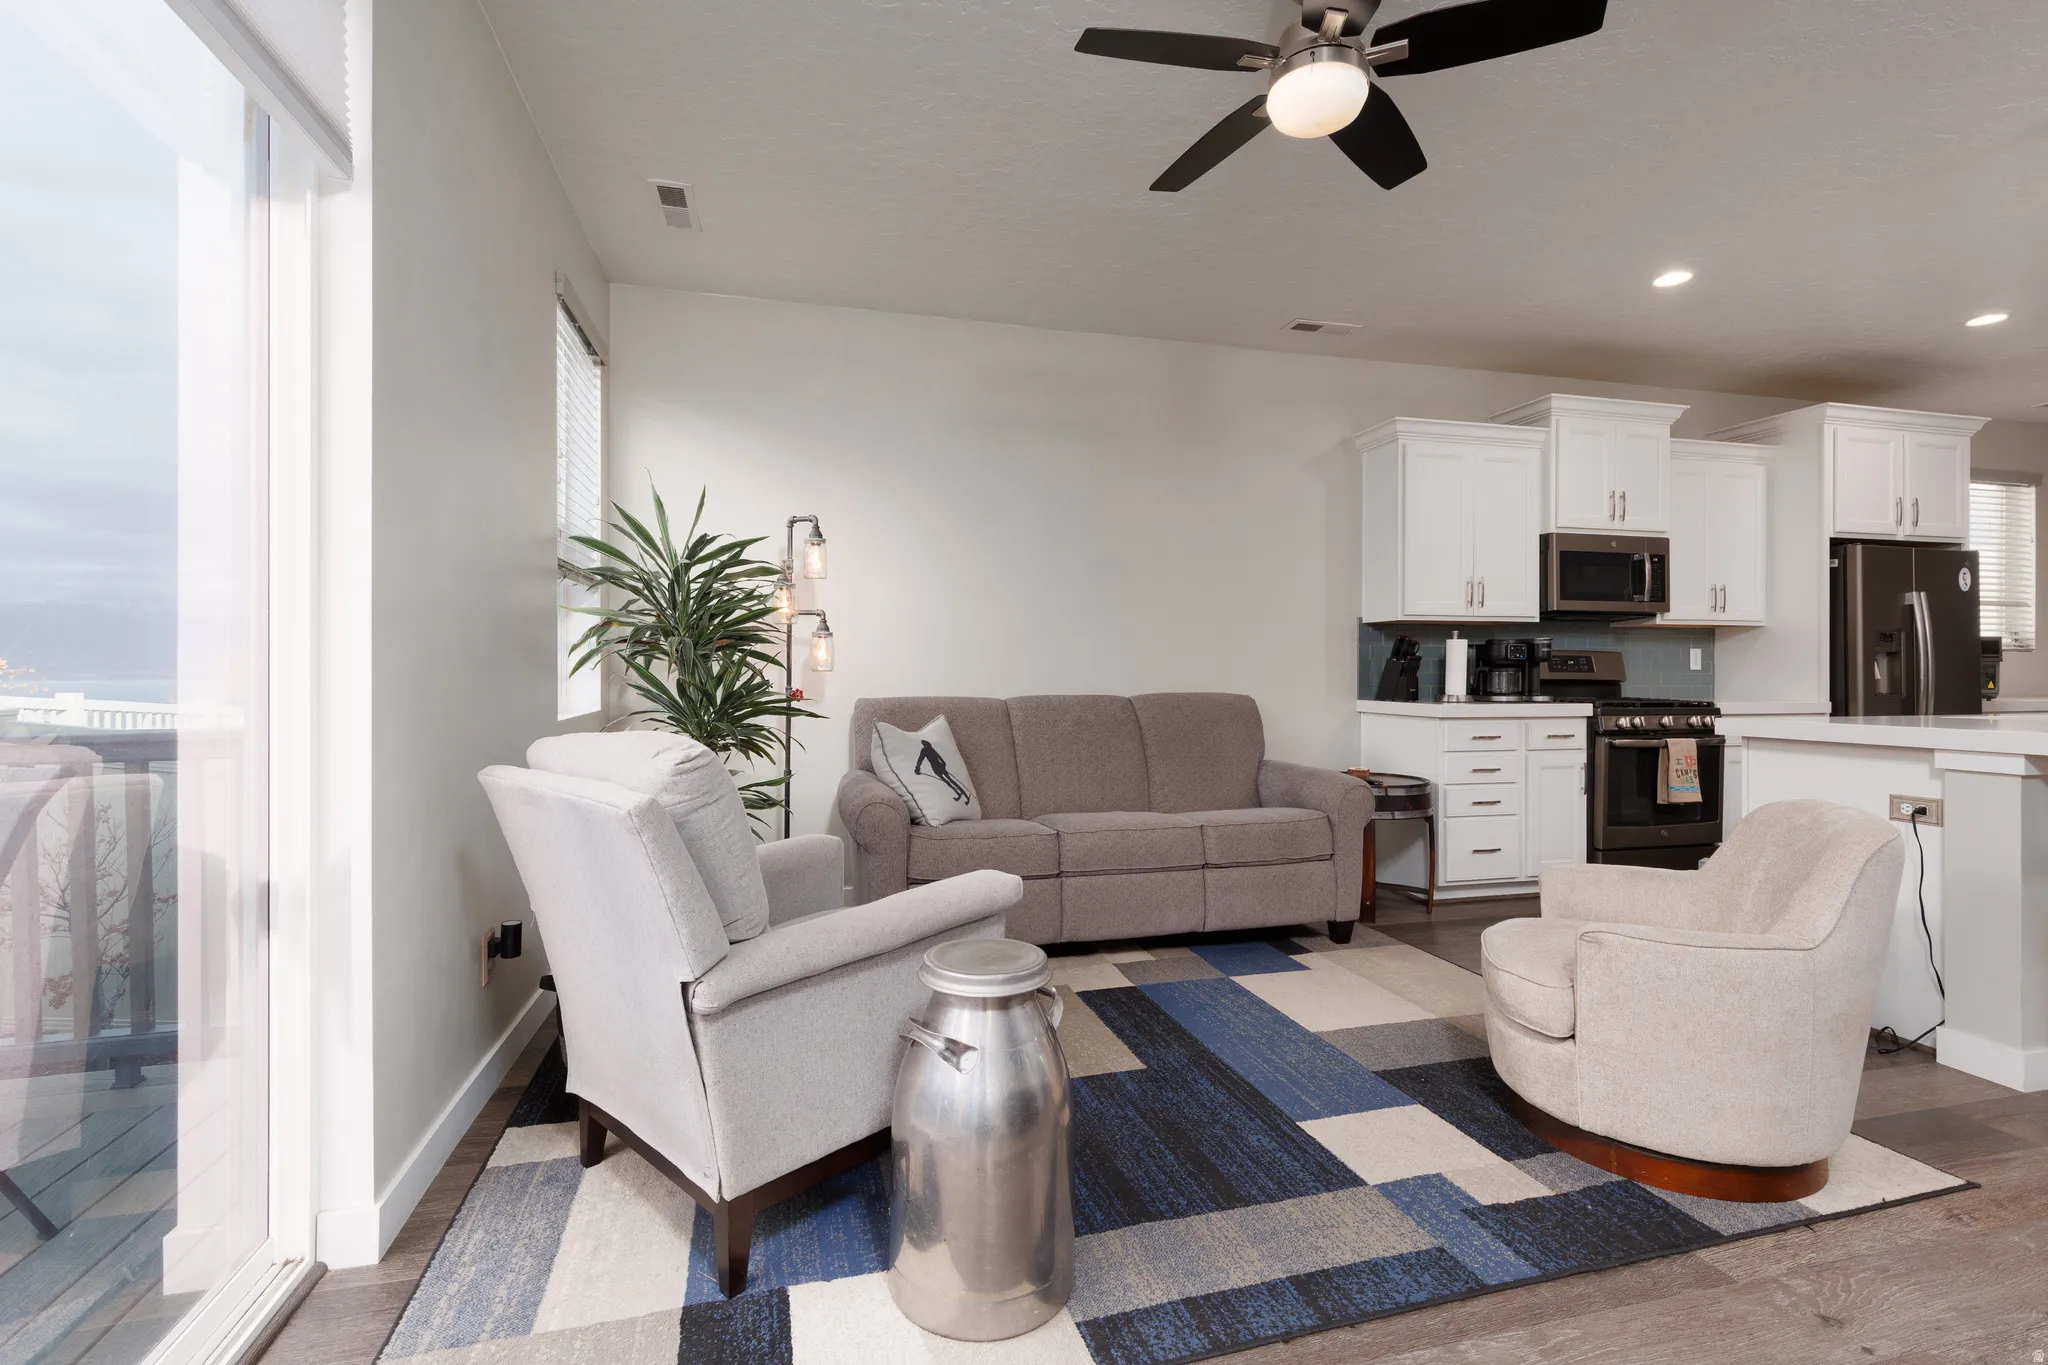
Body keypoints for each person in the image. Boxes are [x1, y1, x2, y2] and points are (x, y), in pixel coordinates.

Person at [914, 739, 971, 804]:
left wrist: (917, 768)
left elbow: (920, 759)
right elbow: (939, 757)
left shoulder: (924, 750)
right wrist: (943, 764)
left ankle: (963, 795)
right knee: (950, 781)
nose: (924, 745)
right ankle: (961, 794)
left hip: (936, 768)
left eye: (923, 744)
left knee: (948, 781)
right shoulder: (931, 749)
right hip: (939, 767)